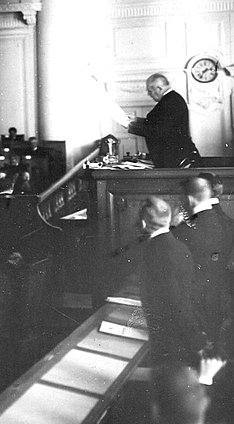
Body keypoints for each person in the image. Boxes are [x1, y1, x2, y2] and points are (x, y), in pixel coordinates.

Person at [139, 197, 208, 366]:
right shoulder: (180, 247)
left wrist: (195, 342)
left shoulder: (152, 251)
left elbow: (175, 301)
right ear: (169, 219)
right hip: (182, 331)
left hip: (170, 340)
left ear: (143, 223)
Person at [172, 177, 234, 355]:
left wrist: (173, 226)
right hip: (220, 296)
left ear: (190, 199)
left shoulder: (185, 230)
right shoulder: (227, 222)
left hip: (194, 300)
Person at [128, 73, 200, 168]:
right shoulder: (171, 99)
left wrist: (130, 126)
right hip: (176, 157)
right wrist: (136, 120)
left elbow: (159, 130)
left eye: (150, 91)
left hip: (176, 159)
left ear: (158, 89)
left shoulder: (170, 102)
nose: (149, 95)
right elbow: (158, 122)